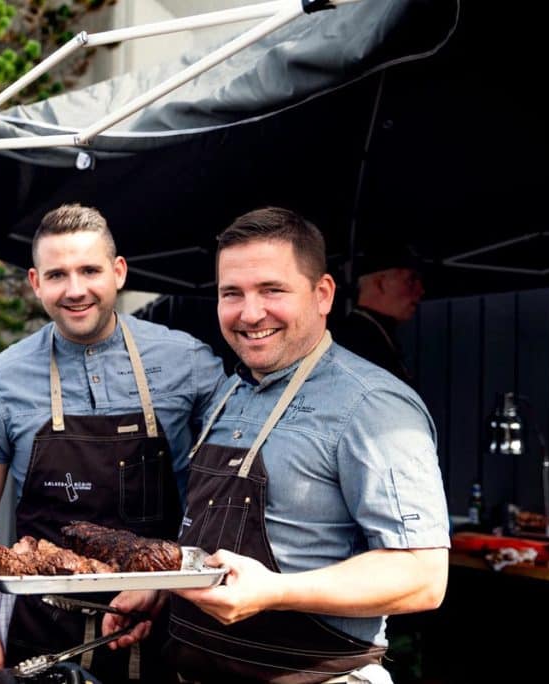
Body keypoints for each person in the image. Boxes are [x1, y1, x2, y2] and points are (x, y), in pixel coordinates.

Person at [104, 207, 450, 683]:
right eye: (233, 294)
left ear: (322, 294)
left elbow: (424, 576)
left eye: (272, 290)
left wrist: (276, 591)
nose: (250, 313)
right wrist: (168, 588)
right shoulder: (232, 391)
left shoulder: (373, 404)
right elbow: (217, 539)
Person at [0, 203, 225, 683]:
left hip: (167, 621)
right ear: (36, 283)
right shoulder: (0, 381)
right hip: (40, 623)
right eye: (58, 274)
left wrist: (169, 582)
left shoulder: (189, 363)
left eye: (89, 270)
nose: (75, 290)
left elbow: (219, 491)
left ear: (118, 272)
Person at [333, 243, 425, 382]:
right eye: (411, 280)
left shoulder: (369, 333)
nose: (421, 290)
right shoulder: (355, 341)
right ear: (380, 283)